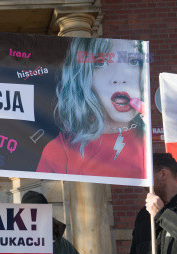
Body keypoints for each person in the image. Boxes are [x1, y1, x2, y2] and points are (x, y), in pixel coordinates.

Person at [36, 38, 147, 179]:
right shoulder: (59, 152)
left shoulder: (153, 141)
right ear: (83, 76)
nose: (119, 78)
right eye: (100, 63)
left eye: (133, 61)